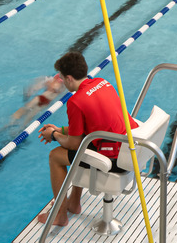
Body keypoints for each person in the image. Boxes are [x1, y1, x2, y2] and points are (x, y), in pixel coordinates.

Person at [37, 52, 140, 228]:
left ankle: (60, 216)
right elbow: (89, 127)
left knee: (56, 156)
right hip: (128, 146)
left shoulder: (75, 101)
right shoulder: (102, 83)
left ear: (69, 78)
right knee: (85, 145)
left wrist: (53, 136)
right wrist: (59, 129)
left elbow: (73, 144)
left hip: (114, 158)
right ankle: (74, 203)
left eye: (62, 78)